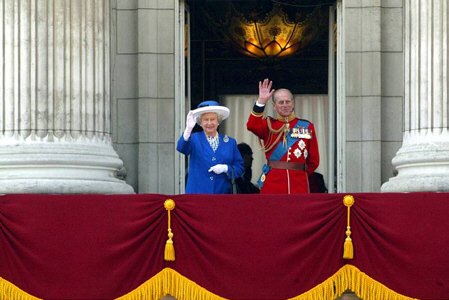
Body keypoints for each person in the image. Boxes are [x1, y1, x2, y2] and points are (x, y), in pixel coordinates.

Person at [246, 78, 320, 194]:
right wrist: (261, 101)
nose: (285, 105)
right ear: (274, 106)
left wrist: (298, 172)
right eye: (281, 102)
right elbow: (251, 125)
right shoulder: (268, 125)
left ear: (293, 103)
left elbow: (314, 160)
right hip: (273, 184)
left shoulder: (306, 126)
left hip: (299, 184)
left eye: (288, 101)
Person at [177, 100, 244, 194]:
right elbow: (181, 148)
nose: (209, 123)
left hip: (221, 196)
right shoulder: (194, 139)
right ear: (200, 122)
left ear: (218, 121)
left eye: (212, 119)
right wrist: (188, 130)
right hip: (197, 196)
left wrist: (226, 168)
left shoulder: (230, 142)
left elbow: (239, 168)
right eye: (205, 120)